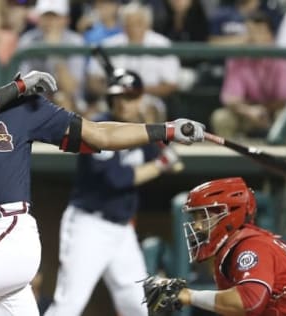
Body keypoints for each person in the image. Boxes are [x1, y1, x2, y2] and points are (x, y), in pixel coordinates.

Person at [0, 32, 205, 315]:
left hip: (5, 232)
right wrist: (19, 86)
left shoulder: (20, 109)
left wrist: (165, 129)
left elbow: (99, 135)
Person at [43, 69, 183, 316]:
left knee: (139, 308)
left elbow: (178, 165)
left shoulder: (141, 132)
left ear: (140, 99)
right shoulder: (97, 128)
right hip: (89, 226)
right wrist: (162, 164)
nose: (123, 102)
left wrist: (164, 153)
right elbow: (117, 179)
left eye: (130, 97)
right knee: (70, 304)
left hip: (122, 232)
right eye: (118, 96)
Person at [144, 177, 286, 315]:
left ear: (230, 215)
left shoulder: (252, 246)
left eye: (203, 217)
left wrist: (189, 295)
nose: (196, 226)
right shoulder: (237, 248)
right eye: (194, 218)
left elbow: (249, 302)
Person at [210, 11, 286, 138]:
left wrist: (264, 109)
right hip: (249, 112)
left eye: (259, 32)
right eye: (249, 32)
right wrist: (248, 111)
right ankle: (232, 155)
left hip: (276, 111)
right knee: (221, 117)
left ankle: (284, 157)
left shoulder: (282, 58)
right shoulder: (237, 59)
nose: (253, 38)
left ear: (270, 36)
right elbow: (230, 98)